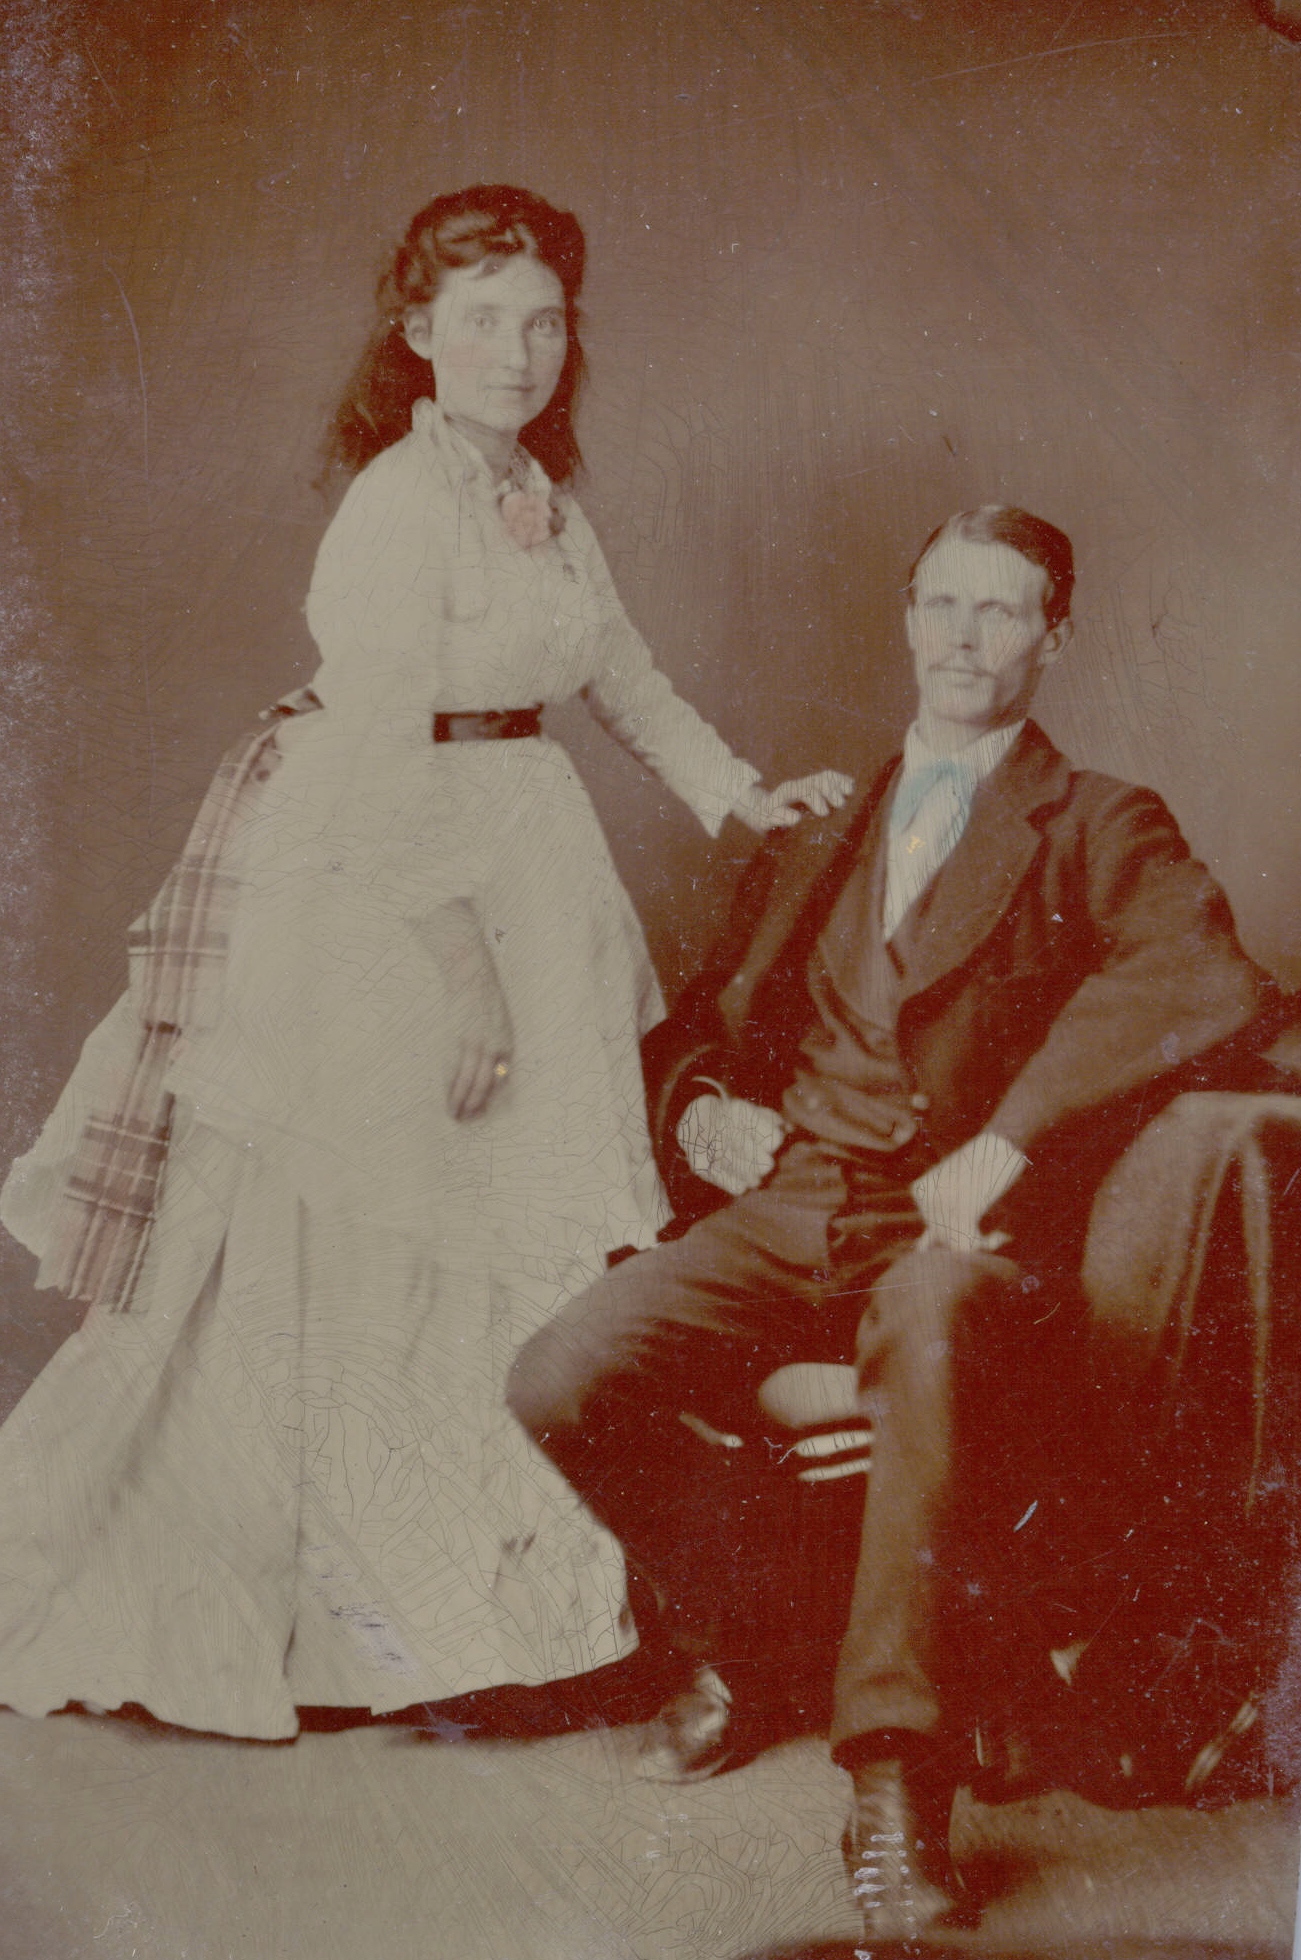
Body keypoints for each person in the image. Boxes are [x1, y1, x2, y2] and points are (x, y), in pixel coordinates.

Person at [0, 184, 851, 1739]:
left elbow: (620, 674)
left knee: (522, 1251)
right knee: (399, 1249)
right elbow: (377, 768)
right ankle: (378, 1642)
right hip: (402, 898)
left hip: (532, 862)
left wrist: (741, 794)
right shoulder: (394, 506)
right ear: (416, 333)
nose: (519, 353)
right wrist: (465, 980)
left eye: (546, 323)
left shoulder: (540, 496)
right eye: (483, 322)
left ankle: (517, 1624)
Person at [506, 505, 1286, 1942]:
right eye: (941, 604)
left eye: (1001, 611)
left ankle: (893, 1787)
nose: (963, 638)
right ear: (906, 618)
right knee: (559, 1375)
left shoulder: (1098, 817)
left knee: (928, 1318)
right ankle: (761, 1643)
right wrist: (702, 1112)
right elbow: (711, 1021)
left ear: (1054, 637)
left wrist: (1006, 1140)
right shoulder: (820, 823)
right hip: (791, 1205)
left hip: (955, 1242)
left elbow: (1202, 974)